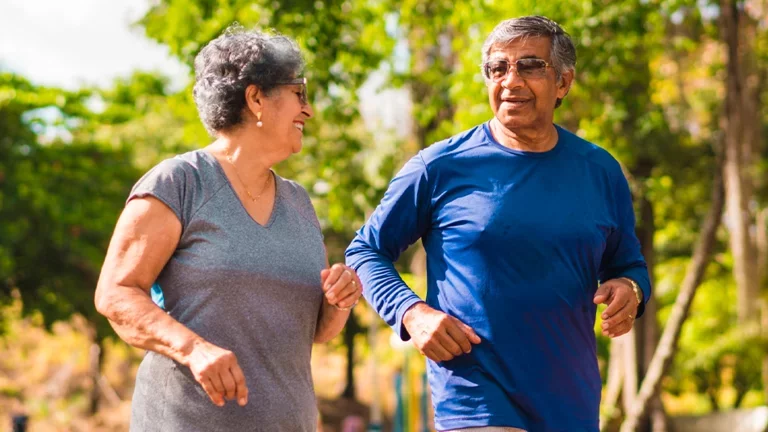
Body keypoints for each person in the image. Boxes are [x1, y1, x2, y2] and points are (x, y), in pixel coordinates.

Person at [346, 16, 650, 432]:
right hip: (474, 393)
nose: (511, 81)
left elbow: (627, 264)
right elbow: (365, 249)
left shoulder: (600, 171)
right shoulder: (439, 167)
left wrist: (630, 289)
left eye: (529, 66)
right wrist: (411, 313)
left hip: (570, 400)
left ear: (563, 83)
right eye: (498, 68)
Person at [94, 26, 362, 431]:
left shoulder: (300, 203)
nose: (308, 110)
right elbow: (115, 293)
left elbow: (317, 332)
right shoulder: (179, 182)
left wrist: (339, 301)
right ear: (256, 98)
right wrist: (193, 349)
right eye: (299, 93)